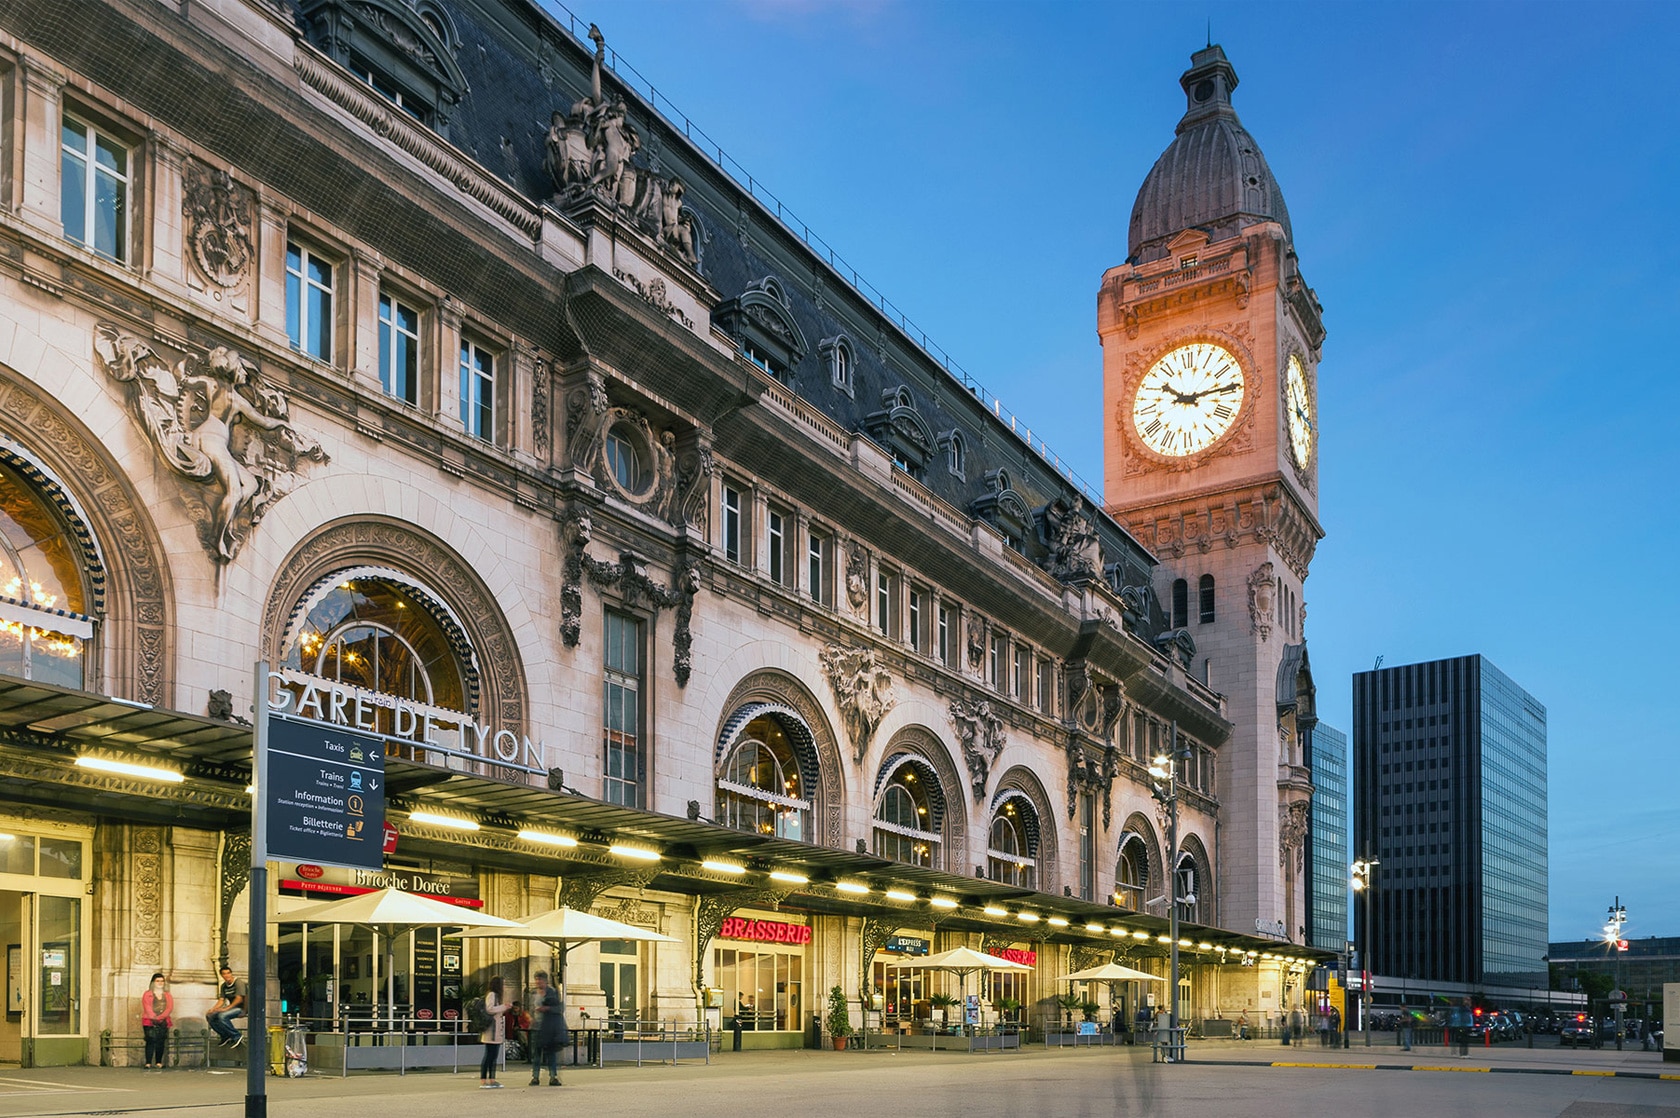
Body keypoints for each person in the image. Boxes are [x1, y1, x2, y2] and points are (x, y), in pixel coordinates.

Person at [528, 971, 566, 1087]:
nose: (538, 982)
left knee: (551, 1053)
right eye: (536, 979)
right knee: (536, 1054)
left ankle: (553, 1077)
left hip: (549, 1026)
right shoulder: (533, 993)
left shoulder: (552, 992)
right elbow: (530, 1007)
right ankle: (535, 1077)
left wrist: (547, 1008)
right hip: (537, 1027)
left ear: (545, 980)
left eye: (540, 979)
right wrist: (530, 1018)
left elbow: (559, 1008)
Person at [478, 976, 511, 1088]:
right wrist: (503, 1007)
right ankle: (483, 1080)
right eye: (503, 984)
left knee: (494, 1056)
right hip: (491, 1030)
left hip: (496, 1030)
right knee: (489, 1055)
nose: (504, 987)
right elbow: (490, 1009)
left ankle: (492, 1079)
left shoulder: (496, 996)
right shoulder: (491, 995)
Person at [207, 965, 247, 1047]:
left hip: (242, 1008)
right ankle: (225, 1035)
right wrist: (214, 1009)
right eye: (224, 974)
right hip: (233, 1007)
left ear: (231, 974)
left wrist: (226, 1009)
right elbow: (221, 999)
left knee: (222, 1016)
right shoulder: (224, 986)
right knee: (210, 1016)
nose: (227, 975)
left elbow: (239, 999)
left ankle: (236, 1036)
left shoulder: (238, 982)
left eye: (228, 973)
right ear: (222, 975)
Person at [140, 973, 173, 1069]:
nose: (160, 983)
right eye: (158, 981)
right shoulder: (147, 994)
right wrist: (154, 1017)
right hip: (149, 1021)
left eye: (162, 981)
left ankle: (159, 1062)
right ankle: (148, 1062)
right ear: (153, 982)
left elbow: (169, 1007)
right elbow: (147, 1007)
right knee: (150, 1041)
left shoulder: (167, 995)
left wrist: (161, 1017)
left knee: (160, 1041)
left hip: (163, 1020)